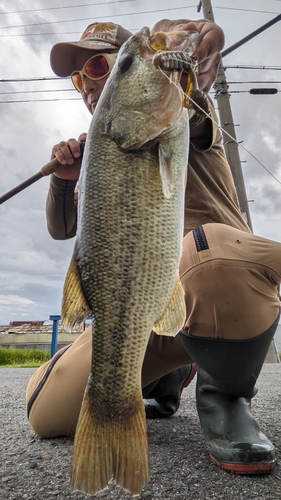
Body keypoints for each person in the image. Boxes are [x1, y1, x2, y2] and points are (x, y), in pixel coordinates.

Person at [26, 19, 281, 475]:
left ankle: (224, 395)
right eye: (79, 77)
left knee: (210, 252)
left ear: (151, 64)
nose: (87, 84)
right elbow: (65, 234)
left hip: (218, 298)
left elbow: (196, 96)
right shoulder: (100, 160)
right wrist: (66, 185)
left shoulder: (180, 109)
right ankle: (168, 373)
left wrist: (194, 60)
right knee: (45, 413)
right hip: (144, 310)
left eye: (105, 65)